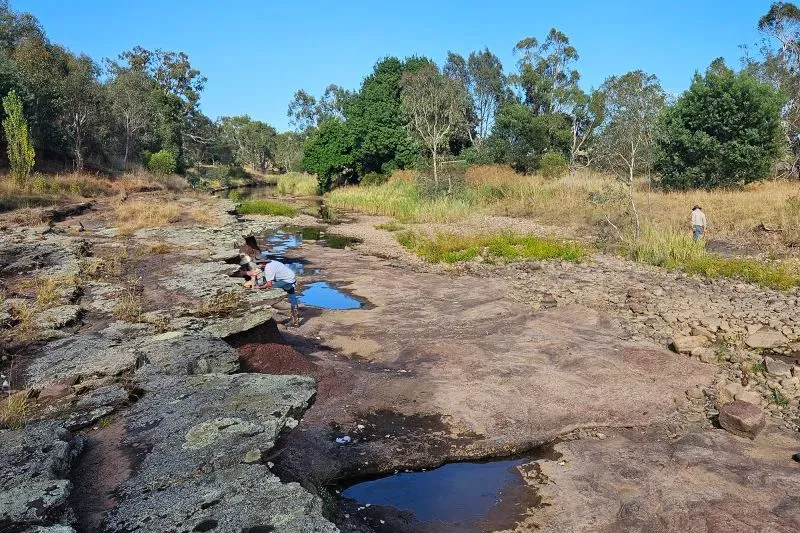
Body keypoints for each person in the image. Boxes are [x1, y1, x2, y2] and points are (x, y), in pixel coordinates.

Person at [247, 257, 301, 327]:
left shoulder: (268, 269)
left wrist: (259, 287)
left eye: (258, 263)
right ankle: (295, 321)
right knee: (292, 296)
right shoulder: (272, 262)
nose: (257, 264)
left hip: (287, 280)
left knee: (270, 291)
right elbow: (254, 272)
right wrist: (244, 272)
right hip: (291, 277)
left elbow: (269, 284)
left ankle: (264, 313)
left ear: (263, 263)